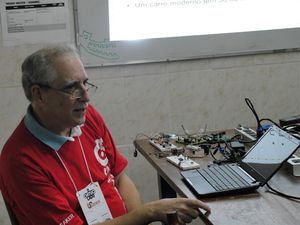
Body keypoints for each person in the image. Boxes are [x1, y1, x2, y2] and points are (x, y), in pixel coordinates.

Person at [0, 45, 211, 225]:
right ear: (39, 94)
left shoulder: (86, 117)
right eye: (72, 88)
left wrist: (142, 220)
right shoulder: (20, 161)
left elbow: (120, 179)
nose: (86, 97)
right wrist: (150, 212)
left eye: (85, 83)